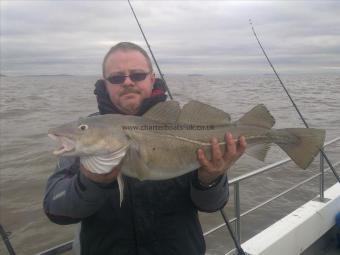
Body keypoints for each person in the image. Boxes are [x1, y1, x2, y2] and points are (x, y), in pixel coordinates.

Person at [43, 42, 246, 255]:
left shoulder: (183, 126)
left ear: (152, 78)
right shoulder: (86, 139)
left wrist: (210, 179)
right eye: (117, 78)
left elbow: (212, 205)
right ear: (105, 84)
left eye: (137, 75)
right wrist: (91, 181)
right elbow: (56, 210)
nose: (128, 82)